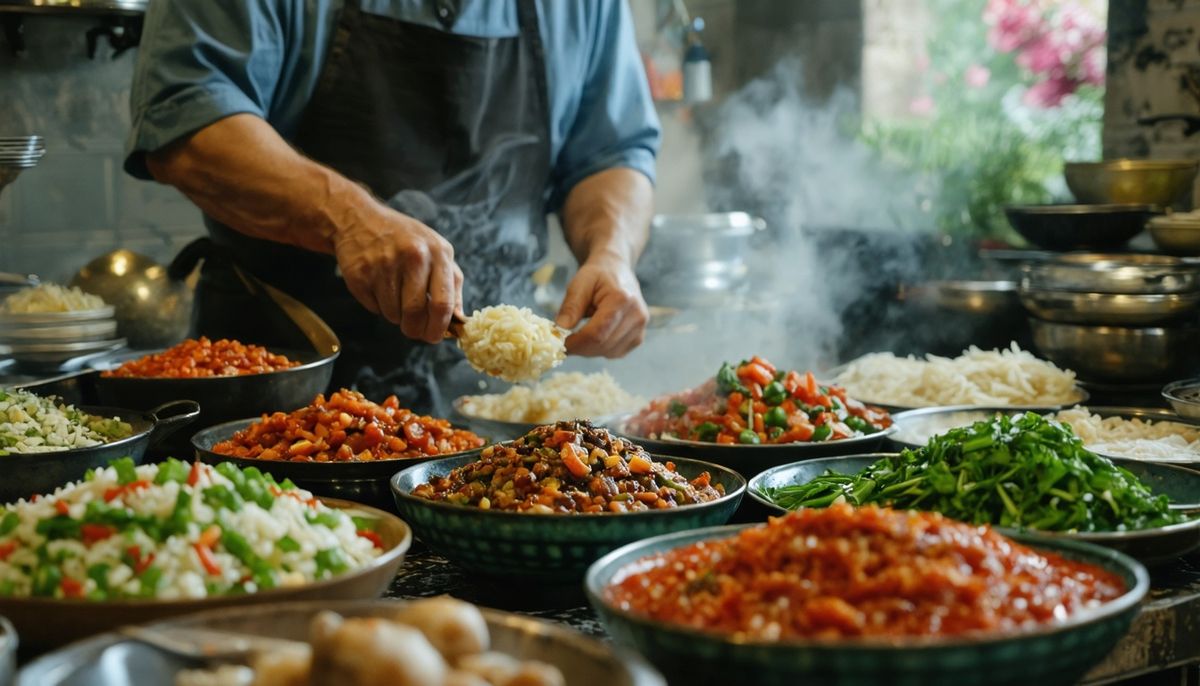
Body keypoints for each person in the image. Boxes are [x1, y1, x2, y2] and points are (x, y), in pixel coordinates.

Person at [125, 0, 660, 414]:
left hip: (491, 412)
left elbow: (612, 152)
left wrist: (612, 252)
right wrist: (348, 218)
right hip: (280, 394)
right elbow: (185, 123)